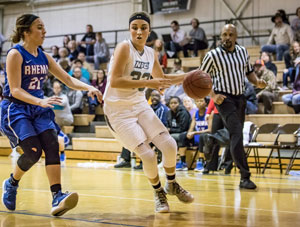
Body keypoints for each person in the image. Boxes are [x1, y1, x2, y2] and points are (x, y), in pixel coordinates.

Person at [0, 14, 102, 216]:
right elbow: (15, 89)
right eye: (39, 27)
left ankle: (57, 196)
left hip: (38, 108)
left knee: (53, 144)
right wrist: (40, 101)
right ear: (26, 32)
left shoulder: (44, 56)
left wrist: (89, 87)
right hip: (17, 108)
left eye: (44, 27)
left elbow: (67, 79)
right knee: (33, 152)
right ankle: (11, 183)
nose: (44, 31)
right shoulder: (15, 54)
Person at [103, 11, 195, 213]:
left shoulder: (151, 53)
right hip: (117, 110)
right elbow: (115, 81)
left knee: (170, 145)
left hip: (138, 104)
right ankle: (158, 192)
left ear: (149, 31)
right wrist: (148, 82)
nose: (138, 31)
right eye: (134, 27)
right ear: (130, 30)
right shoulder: (123, 48)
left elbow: (162, 81)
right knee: (148, 155)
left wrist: (190, 75)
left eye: (143, 28)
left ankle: (172, 184)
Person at [200, 24, 266, 189]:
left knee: (234, 133)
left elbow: (249, 72)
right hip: (223, 98)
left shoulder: (243, 52)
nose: (227, 37)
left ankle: (213, 139)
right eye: (224, 34)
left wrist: (257, 81)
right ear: (220, 36)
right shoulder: (212, 55)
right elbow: (202, 78)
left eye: (230, 34)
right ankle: (245, 177)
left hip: (240, 98)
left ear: (236, 36)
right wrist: (214, 96)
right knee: (237, 134)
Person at [166, 96, 191, 170]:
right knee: (162, 138)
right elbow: (167, 125)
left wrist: (170, 130)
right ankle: (166, 161)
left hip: (185, 133)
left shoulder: (183, 112)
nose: (173, 105)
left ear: (179, 104)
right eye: (171, 103)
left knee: (181, 136)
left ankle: (183, 162)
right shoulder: (169, 113)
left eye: (175, 103)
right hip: (174, 133)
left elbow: (183, 128)